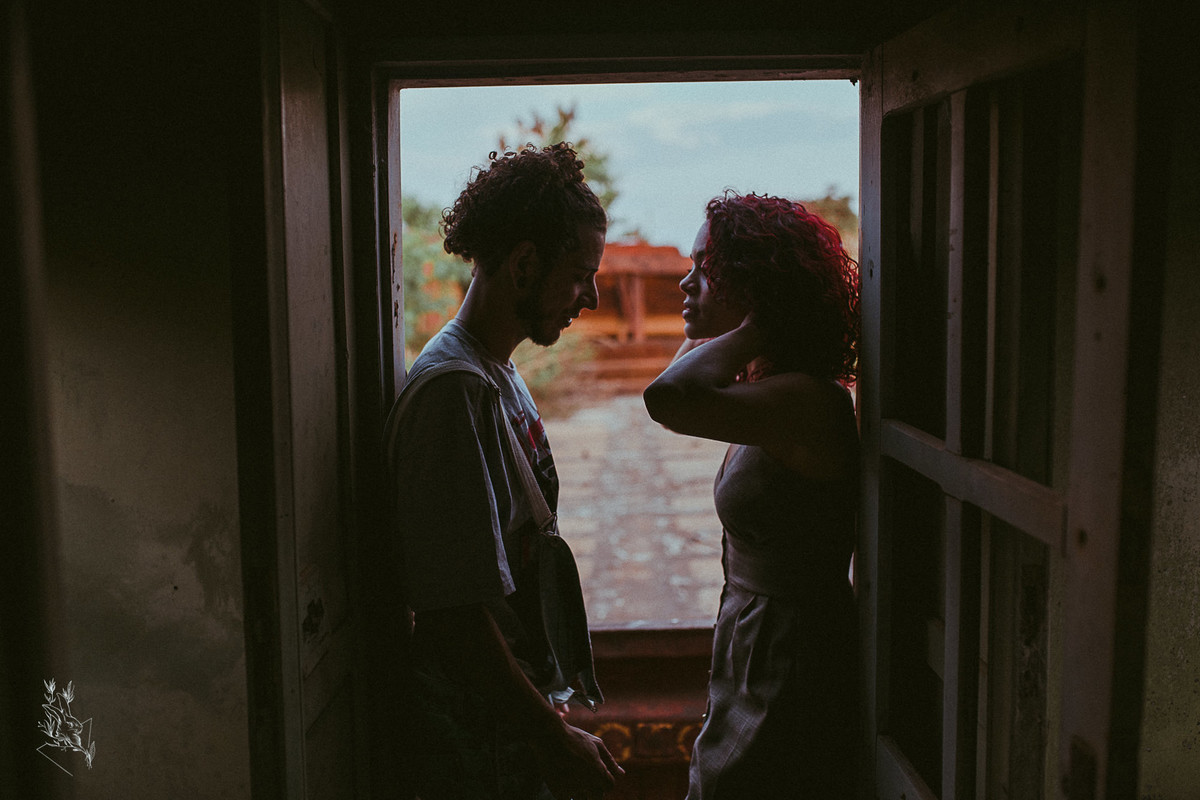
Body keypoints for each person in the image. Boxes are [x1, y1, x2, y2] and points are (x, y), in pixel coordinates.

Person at [385, 143, 623, 800]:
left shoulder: (497, 372)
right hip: (475, 737)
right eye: (580, 274)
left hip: (500, 721)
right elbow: (455, 613)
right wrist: (549, 733)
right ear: (523, 265)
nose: (593, 297)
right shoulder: (454, 393)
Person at [643, 191, 862, 798]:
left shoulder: (808, 402)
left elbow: (667, 397)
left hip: (795, 653)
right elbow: (677, 381)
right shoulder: (769, 388)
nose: (686, 284)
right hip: (754, 637)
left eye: (705, 270)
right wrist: (746, 323)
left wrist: (761, 319)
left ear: (756, 287)